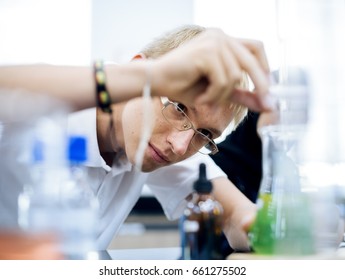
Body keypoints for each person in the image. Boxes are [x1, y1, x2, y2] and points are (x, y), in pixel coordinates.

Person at [0, 25, 273, 255]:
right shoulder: (48, 112)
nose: (180, 146)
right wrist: (149, 77)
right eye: (179, 108)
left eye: (205, 135)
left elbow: (240, 218)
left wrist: (274, 141)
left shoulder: (158, 146)